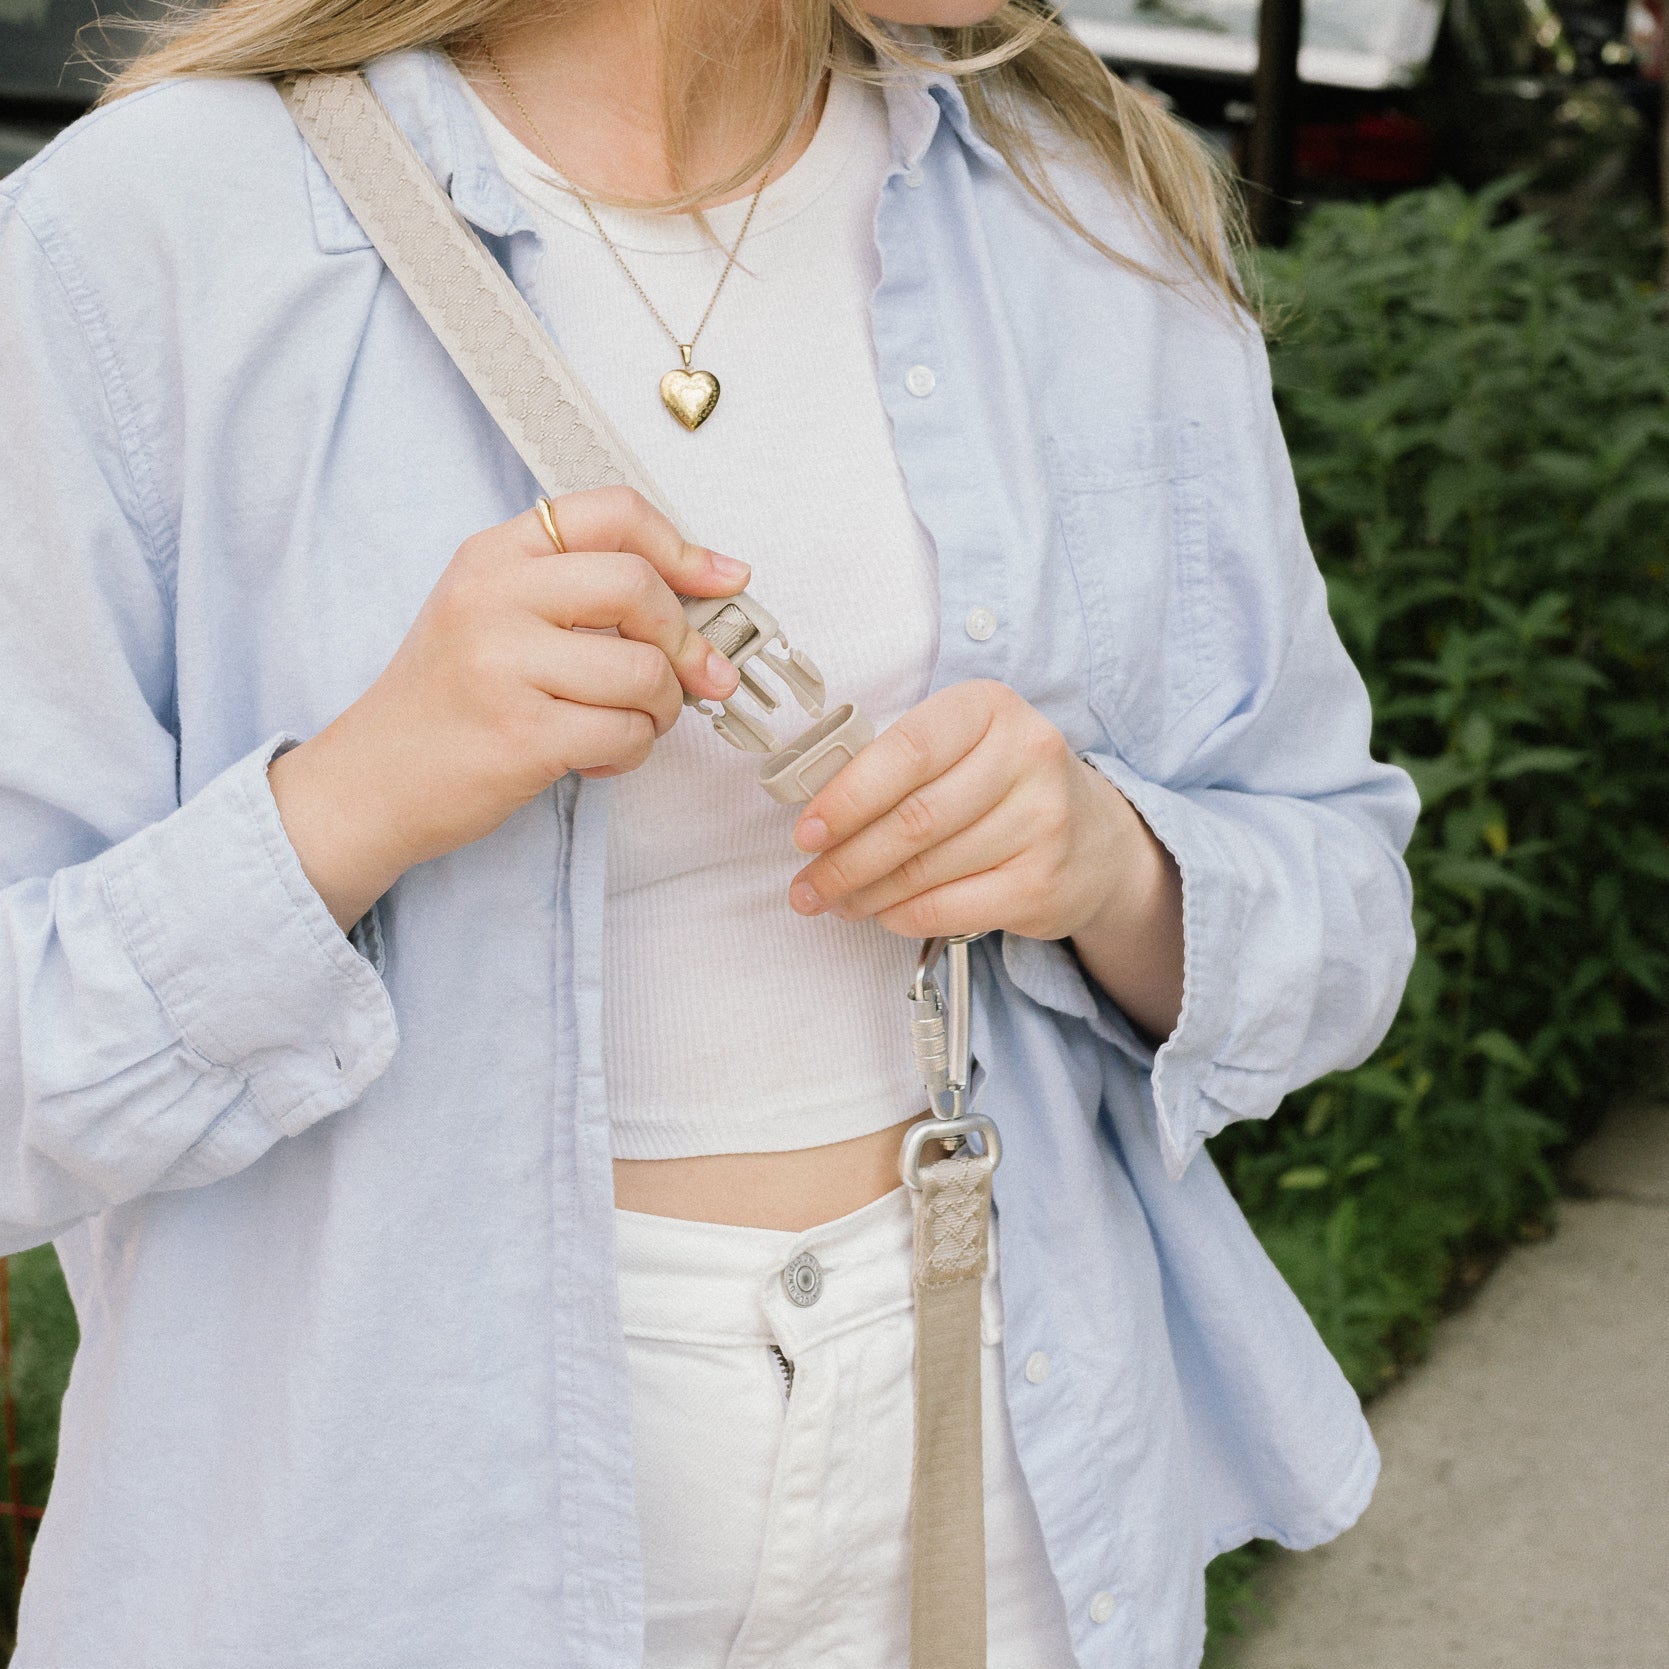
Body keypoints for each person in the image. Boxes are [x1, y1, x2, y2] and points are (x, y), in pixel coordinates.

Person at [0, 0, 1418, 1662]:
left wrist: (1112, 866)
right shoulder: (139, 238)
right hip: (393, 1542)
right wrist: (353, 796)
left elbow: (1340, 903)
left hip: (992, 1471)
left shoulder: (1084, 208)